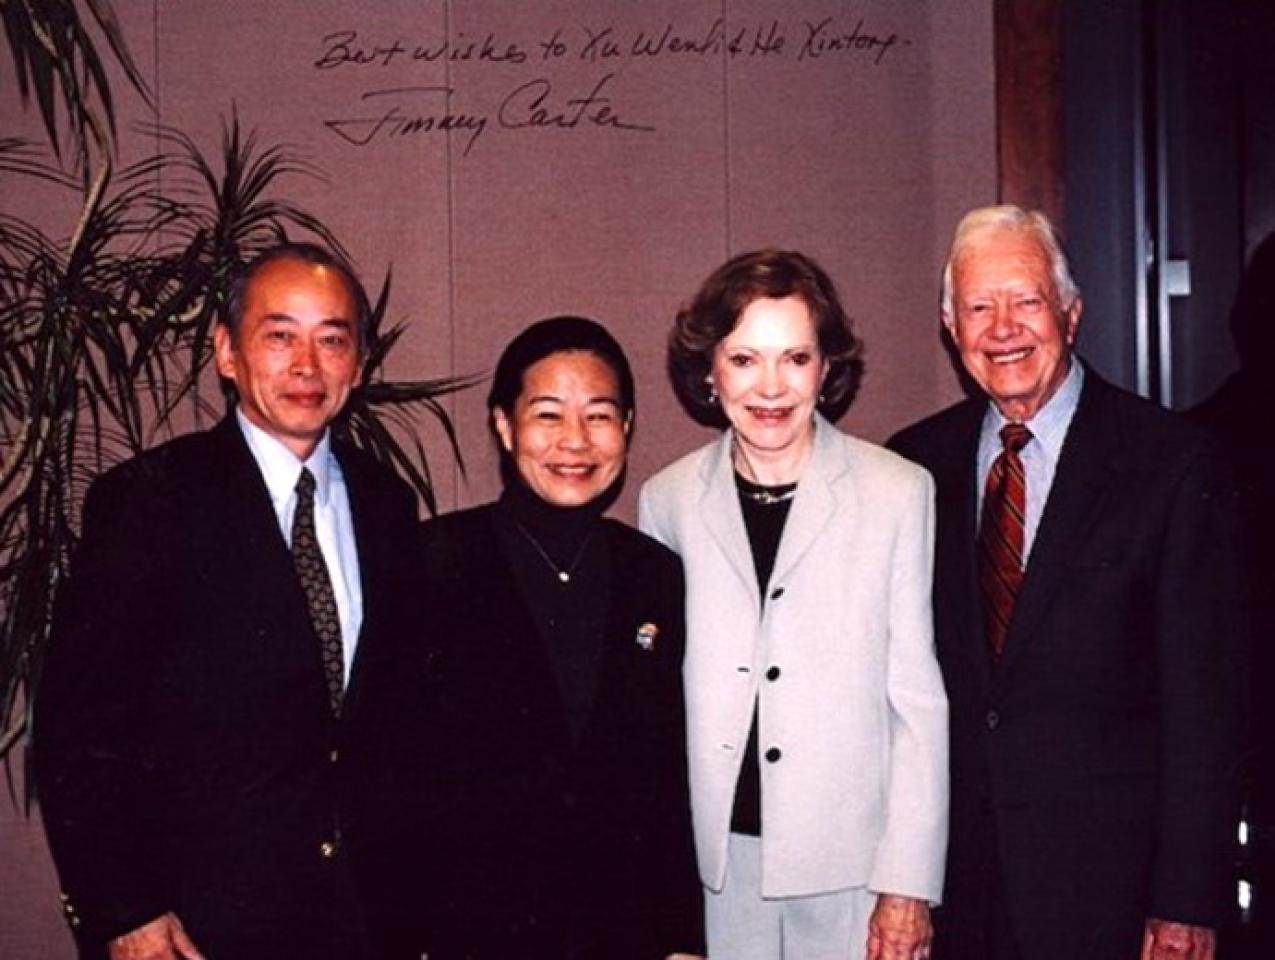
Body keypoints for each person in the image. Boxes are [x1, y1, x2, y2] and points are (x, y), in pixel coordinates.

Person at [35, 243, 418, 960]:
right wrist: (125, 912)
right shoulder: (147, 502)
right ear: (226, 352)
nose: (307, 365)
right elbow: (75, 732)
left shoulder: (387, 505)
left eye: (332, 339)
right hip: (195, 929)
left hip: (358, 924)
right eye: (279, 336)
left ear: (358, 364)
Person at [888, 205, 1247, 960]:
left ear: (1071, 314)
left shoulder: (1173, 466)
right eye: (978, 307)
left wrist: (1186, 899)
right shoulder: (912, 469)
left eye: (1026, 301)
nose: (1003, 328)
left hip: (1108, 895)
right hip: (957, 889)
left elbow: (1204, 705)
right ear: (951, 330)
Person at [639, 249, 949, 960]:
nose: (770, 386)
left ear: (826, 368)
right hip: (715, 870)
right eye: (744, 359)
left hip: (853, 869)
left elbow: (918, 706)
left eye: (795, 358)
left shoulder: (896, 491)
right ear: (709, 373)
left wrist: (906, 885)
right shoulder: (668, 500)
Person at [414, 316, 704, 959]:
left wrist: (683, 936)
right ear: (503, 424)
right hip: (473, 933)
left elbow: (667, 776)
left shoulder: (652, 573)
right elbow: (396, 776)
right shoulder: (433, 562)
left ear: (626, 427)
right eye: (548, 415)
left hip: (621, 932)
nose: (575, 441)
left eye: (599, 415)